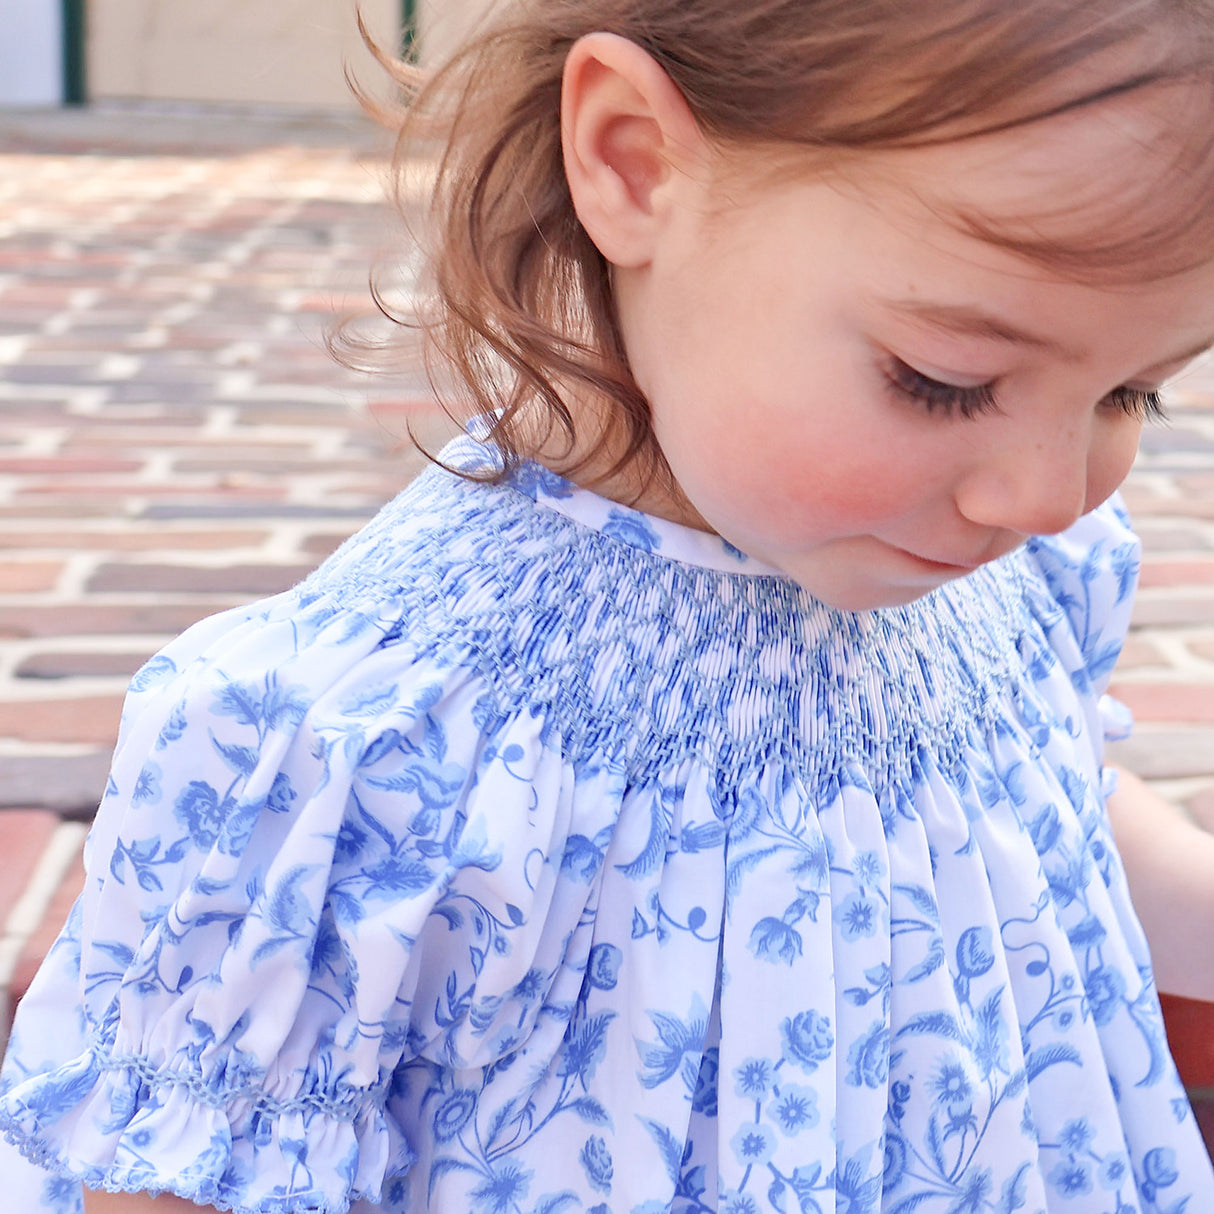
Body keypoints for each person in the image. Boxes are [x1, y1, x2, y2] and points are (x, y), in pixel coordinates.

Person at [4, 1, 1214, 1210]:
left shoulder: (1021, 574)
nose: (1048, 493)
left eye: (1131, 391)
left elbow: (1035, 813)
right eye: (945, 382)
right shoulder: (374, 746)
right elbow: (184, 1168)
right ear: (634, 161)